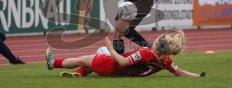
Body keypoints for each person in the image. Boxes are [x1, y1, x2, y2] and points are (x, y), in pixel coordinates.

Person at [45, 29, 205, 78]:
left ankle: (53, 63)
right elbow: (179, 72)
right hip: (119, 73)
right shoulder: (165, 61)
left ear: (158, 43)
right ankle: (79, 74)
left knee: (82, 59)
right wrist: (197, 76)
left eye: (157, 38)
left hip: (110, 66)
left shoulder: (144, 53)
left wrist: (111, 48)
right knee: (90, 63)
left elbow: (122, 61)